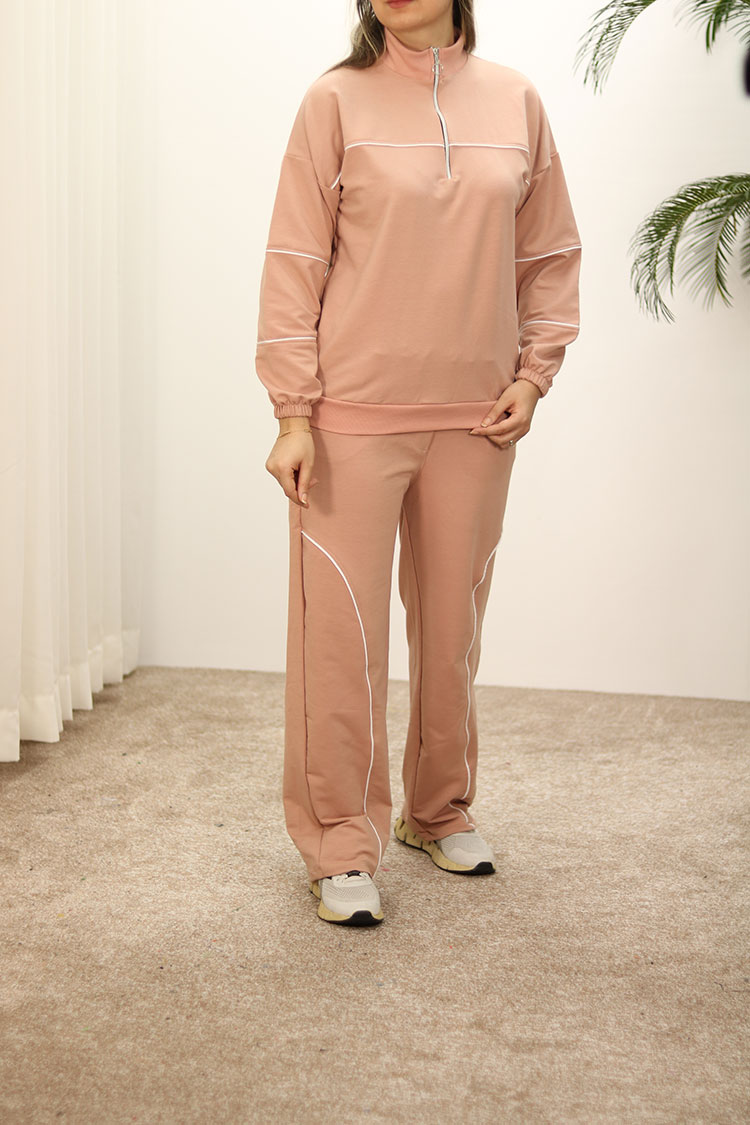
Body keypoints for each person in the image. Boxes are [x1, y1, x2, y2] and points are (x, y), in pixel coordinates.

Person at [255, 0, 582, 926]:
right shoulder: (333, 103)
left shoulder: (516, 101)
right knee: (340, 639)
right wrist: (293, 413)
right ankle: (340, 840)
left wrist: (535, 374)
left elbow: (550, 254)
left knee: (451, 629)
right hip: (351, 418)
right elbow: (293, 260)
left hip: (477, 418)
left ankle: (437, 809)